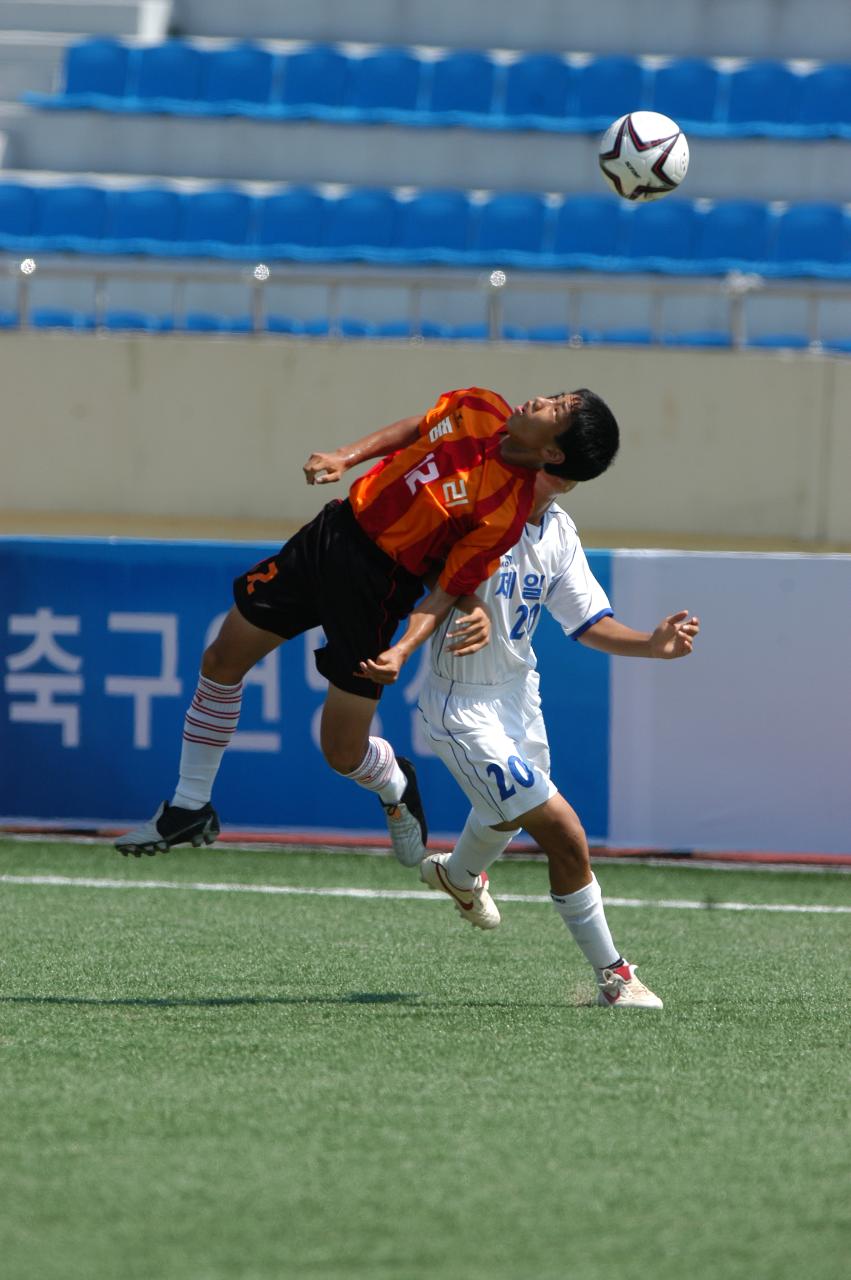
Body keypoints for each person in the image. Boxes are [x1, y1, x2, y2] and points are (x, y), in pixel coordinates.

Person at [114, 387, 621, 864]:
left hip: (377, 586)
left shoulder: (503, 514)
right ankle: (188, 806)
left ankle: (395, 784)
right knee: (221, 659)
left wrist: (403, 650)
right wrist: (345, 455)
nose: (540, 400)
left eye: (555, 411)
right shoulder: (480, 405)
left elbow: (446, 588)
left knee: (341, 750)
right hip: (332, 532)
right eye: (555, 396)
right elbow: (417, 429)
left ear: (553, 455)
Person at [416, 467, 700, 1009]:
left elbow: (587, 620)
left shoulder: (560, 532)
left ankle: (459, 874)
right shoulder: (474, 505)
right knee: (564, 832)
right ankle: (616, 978)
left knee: (504, 810)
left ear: (563, 473)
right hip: (464, 702)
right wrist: (460, 605)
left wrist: (651, 644)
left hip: (519, 695)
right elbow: (422, 575)